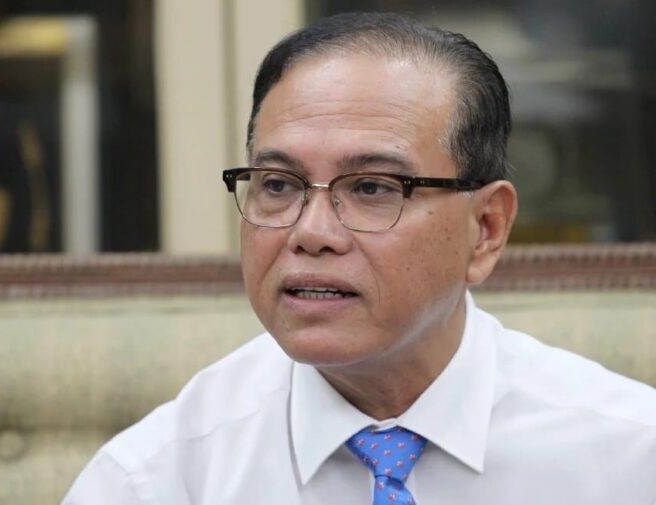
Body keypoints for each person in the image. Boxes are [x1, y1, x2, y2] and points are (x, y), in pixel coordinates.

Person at [63, 12, 656, 505]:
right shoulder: (156, 481)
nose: (310, 232)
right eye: (278, 185)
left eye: (373, 187)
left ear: (486, 229)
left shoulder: (629, 458)